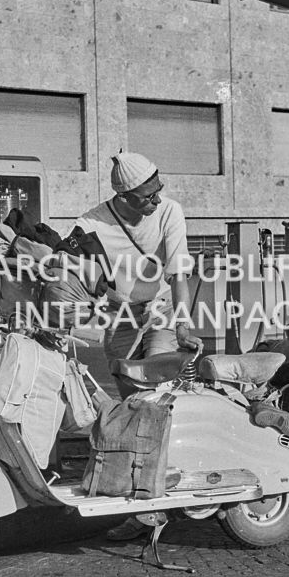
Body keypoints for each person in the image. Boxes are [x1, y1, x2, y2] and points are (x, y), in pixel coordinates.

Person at [70, 151, 198, 541]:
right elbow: (75, 272)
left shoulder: (168, 211)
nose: (156, 201)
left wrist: (183, 323)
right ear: (124, 197)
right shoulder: (91, 223)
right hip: (119, 317)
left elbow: (177, 273)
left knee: (159, 400)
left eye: (158, 192)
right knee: (132, 410)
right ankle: (140, 502)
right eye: (147, 197)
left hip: (160, 309)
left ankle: (159, 501)